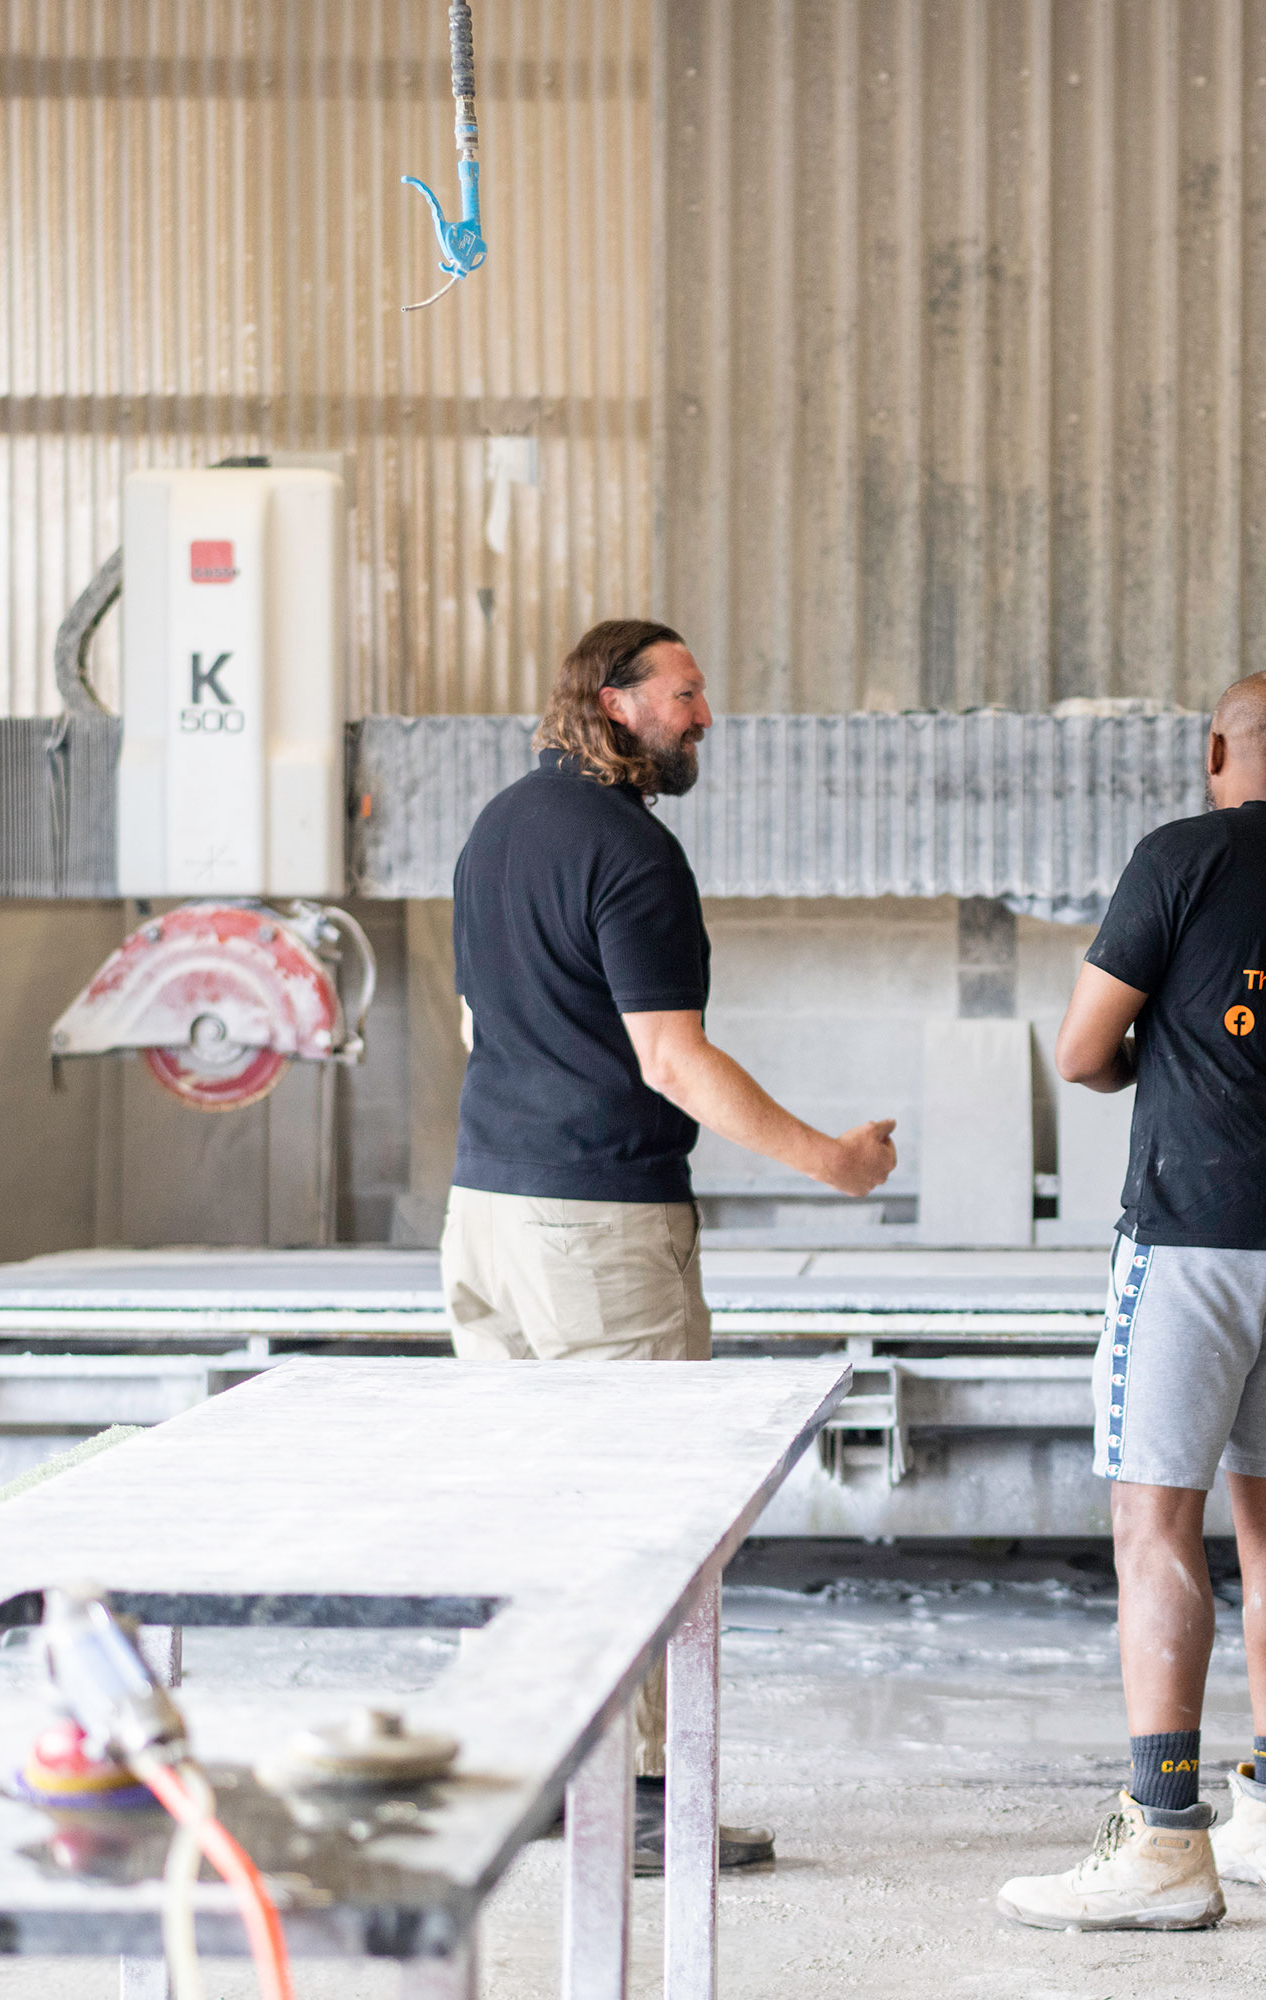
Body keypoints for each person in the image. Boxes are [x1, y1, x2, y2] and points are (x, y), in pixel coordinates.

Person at [442, 618, 898, 1873]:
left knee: (532, 1509)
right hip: (595, 1224)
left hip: (483, 1214)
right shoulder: (629, 852)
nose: (705, 716)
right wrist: (834, 1160)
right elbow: (671, 1058)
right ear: (614, 697)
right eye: (686, 693)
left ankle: (538, 1767)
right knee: (637, 1512)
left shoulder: (495, 831)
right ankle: (637, 1797)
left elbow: (482, 1024)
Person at [997, 671, 1266, 1932]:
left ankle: (1164, 1832)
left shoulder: (1176, 856)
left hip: (1189, 1237)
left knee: (1151, 1519)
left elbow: (1079, 1050)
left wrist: (1146, 1055)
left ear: (1214, 748)